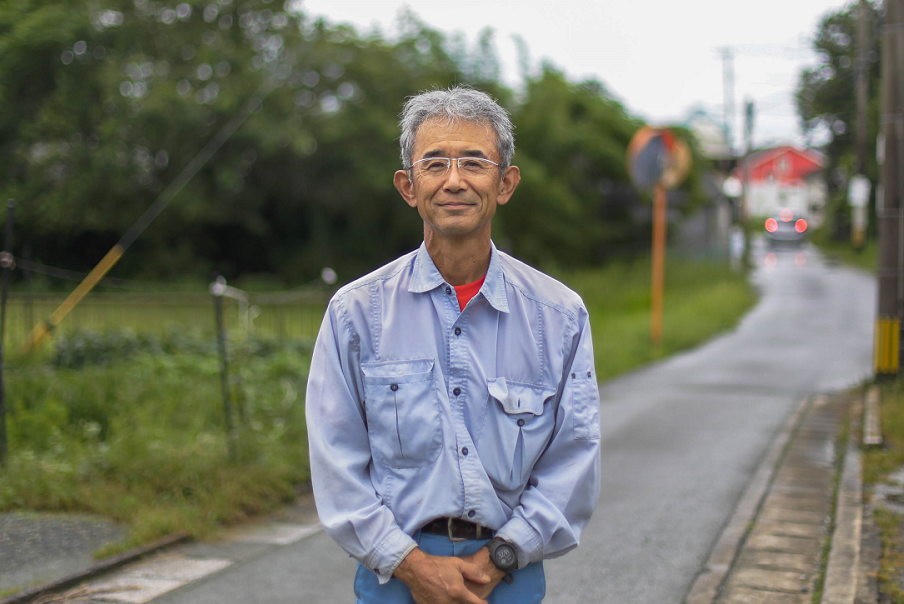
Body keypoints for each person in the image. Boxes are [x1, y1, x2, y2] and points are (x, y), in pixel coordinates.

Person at [306, 86, 601, 604]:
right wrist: (413, 566)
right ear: (407, 185)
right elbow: (337, 460)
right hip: (392, 579)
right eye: (435, 163)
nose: (455, 180)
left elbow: (573, 460)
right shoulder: (356, 313)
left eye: (474, 162)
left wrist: (498, 559)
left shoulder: (559, 317)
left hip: (509, 576)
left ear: (505, 183)